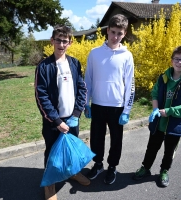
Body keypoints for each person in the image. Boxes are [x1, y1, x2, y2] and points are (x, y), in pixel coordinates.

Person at [132, 44, 181, 187]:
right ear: (172, 60)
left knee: (169, 150)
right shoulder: (163, 77)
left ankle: (164, 170)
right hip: (159, 123)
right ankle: (145, 168)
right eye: (177, 59)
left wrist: (168, 111)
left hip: (175, 124)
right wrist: (155, 109)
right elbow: (155, 93)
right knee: (152, 147)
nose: (179, 62)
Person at [34, 25, 90, 200]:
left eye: (65, 41)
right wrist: (57, 121)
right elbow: (41, 96)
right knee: (52, 153)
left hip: (72, 118)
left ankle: (72, 173)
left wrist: (76, 114)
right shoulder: (44, 66)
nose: (61, 44)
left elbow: (82, 88)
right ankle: (49, 185)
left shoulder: (74, 63)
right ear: (52, 41)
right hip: (53, 121)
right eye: (58, 40)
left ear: (70, 43)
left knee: (70, 150)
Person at [84, 14, 135, 185]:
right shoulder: (94, 53)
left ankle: (112, 167)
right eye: (113, 32)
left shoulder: (127, 56)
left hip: (117, 107)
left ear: (124, 34)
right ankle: (98, 165)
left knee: (116, 140)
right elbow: (88, 80)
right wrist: (86, 103)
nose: (115, 37)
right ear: (107, 30)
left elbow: (130, 85)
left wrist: (127, 110)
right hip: (98, 104)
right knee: (97, 138)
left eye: (119, 33)